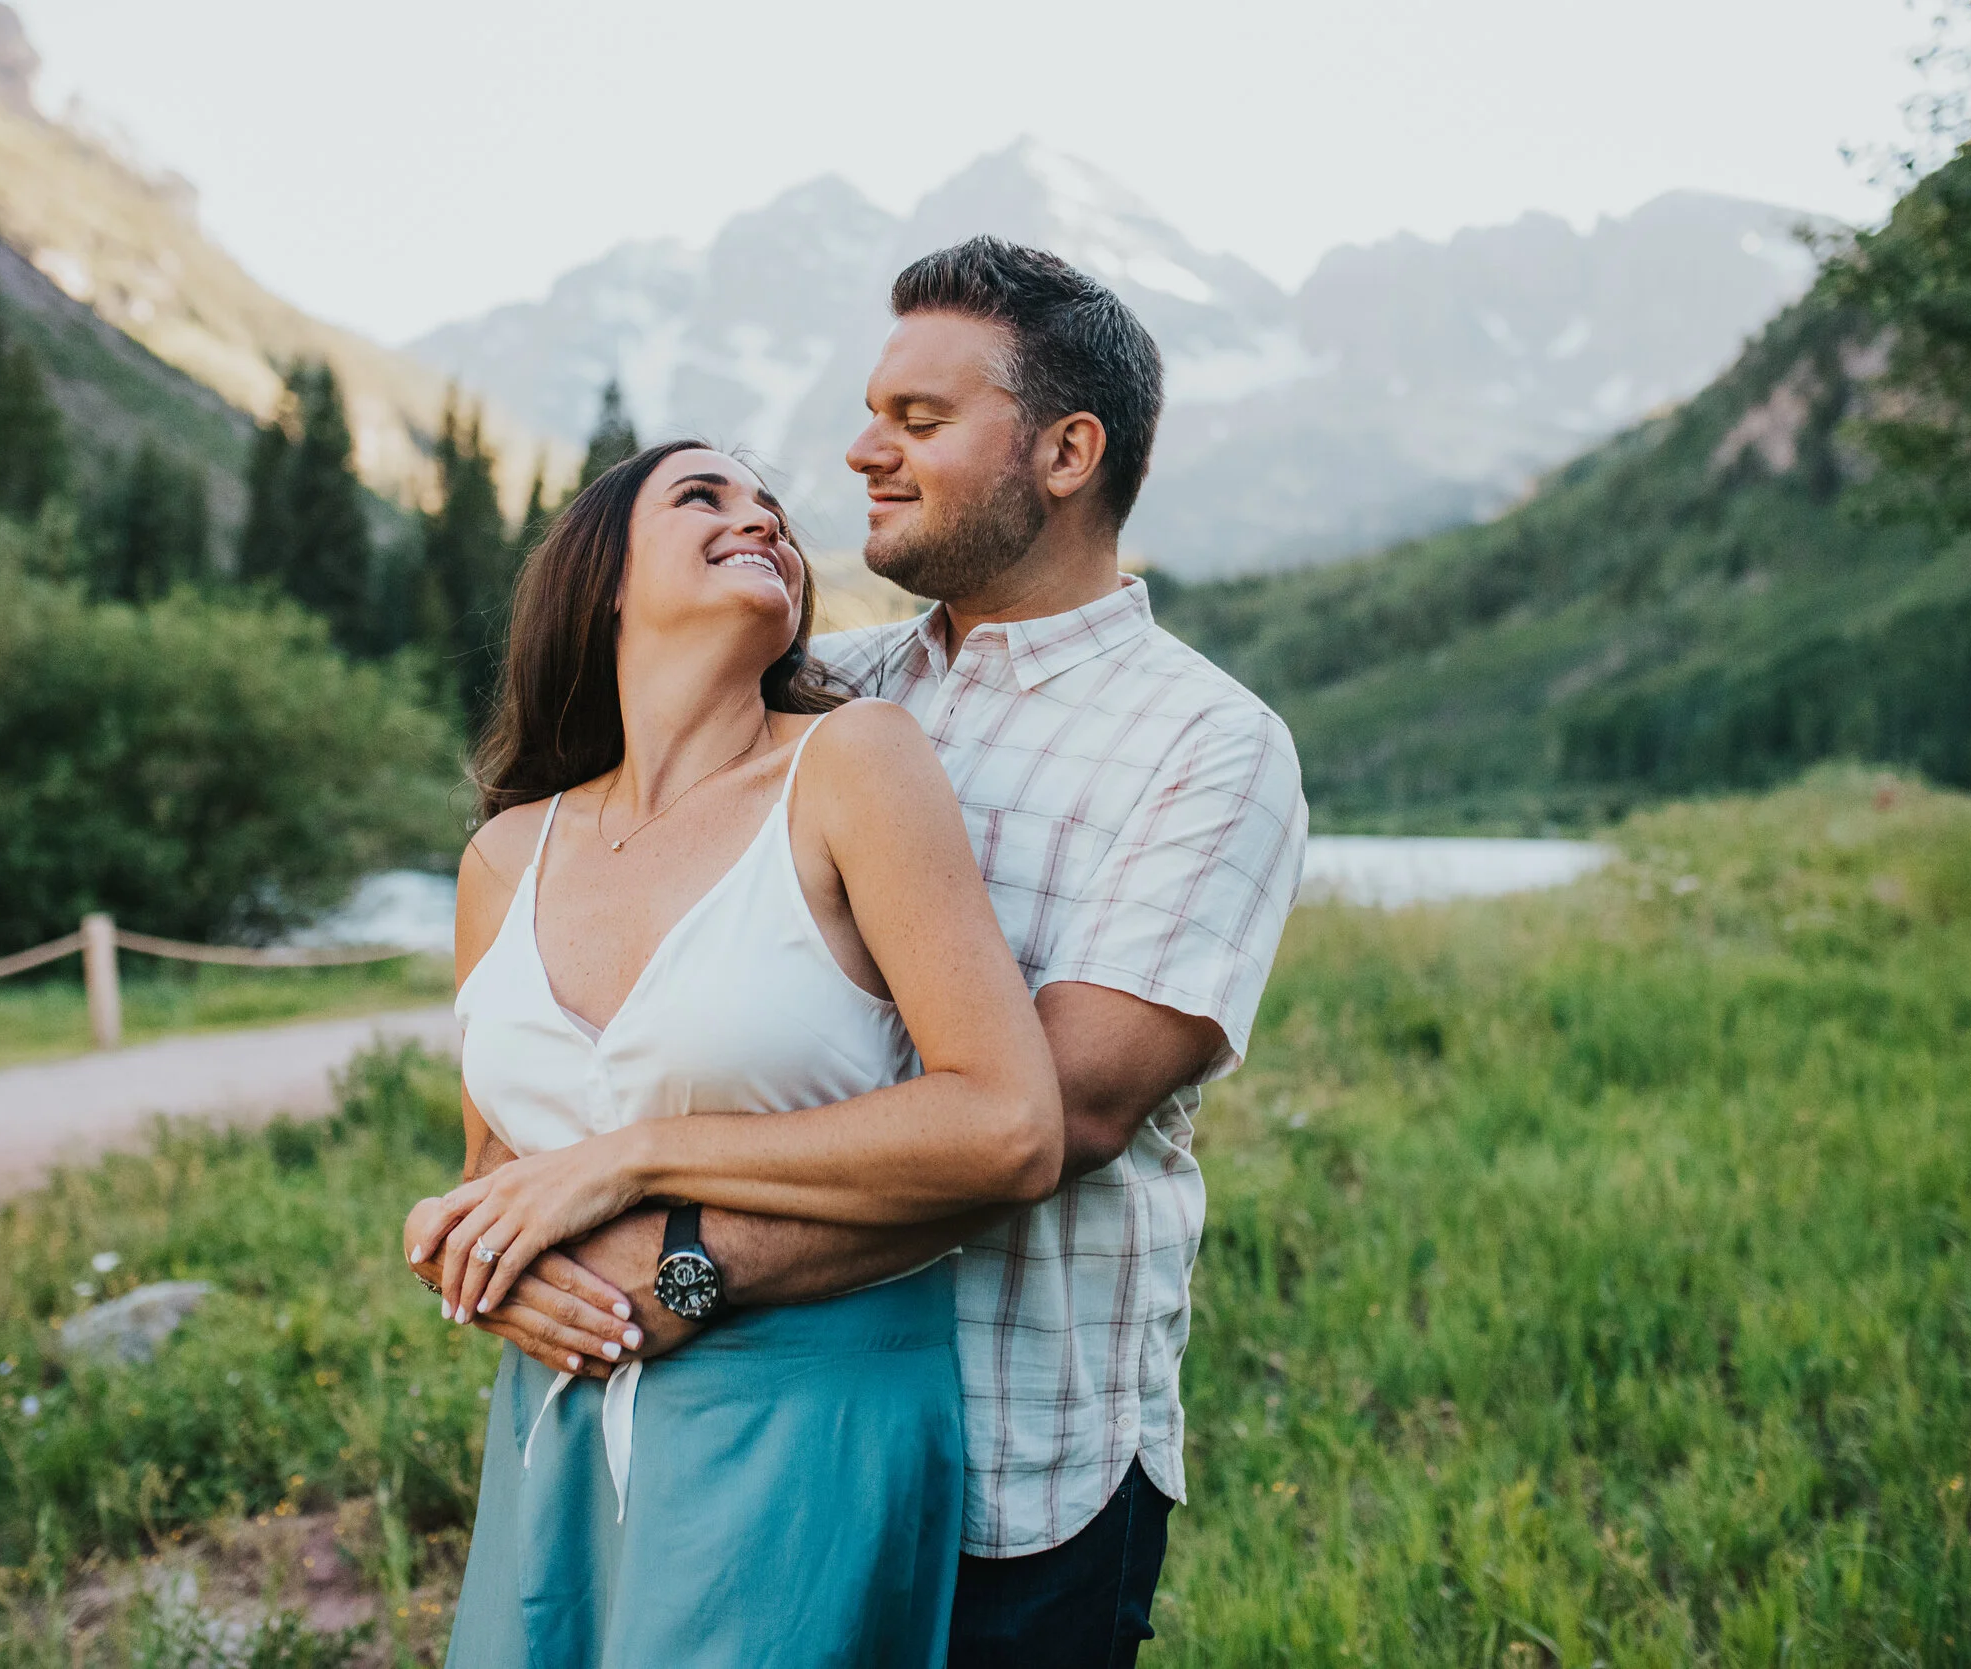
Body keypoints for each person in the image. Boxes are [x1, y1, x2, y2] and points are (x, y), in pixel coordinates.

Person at [427, 236, 1309, 1666]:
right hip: (694, 1440)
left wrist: (671, 1262)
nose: (859, 455)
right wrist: (504, 1253)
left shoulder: (1208, 747)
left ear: (1067, 452)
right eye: (868, 415)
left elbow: (1059, 1117)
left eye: (919, 419)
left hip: (1023, 1456)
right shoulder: (825, 693)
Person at [405, 438, 1064, 1667]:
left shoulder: (853, 763)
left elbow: (1008, 1125)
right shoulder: (503, 855)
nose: (760, 520)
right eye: (702, 497)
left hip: (805, 1419)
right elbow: (497, 1160)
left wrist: (639, 1157)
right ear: (603, 577)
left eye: (772, 510)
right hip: (552, 1426)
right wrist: (470, 1253)